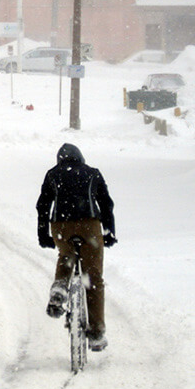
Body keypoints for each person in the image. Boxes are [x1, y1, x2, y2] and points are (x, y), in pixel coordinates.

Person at [36, 143, 117, 351]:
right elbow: (106, 204)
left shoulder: (53, 174)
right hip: (89, 226)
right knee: (93, 278)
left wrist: (43, 234)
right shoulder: (92, 173)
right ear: (80, 158)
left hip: (61, 226)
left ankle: (60, 287)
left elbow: (43, 205)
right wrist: (109, 233)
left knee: (66, 256)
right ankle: (97, 333)